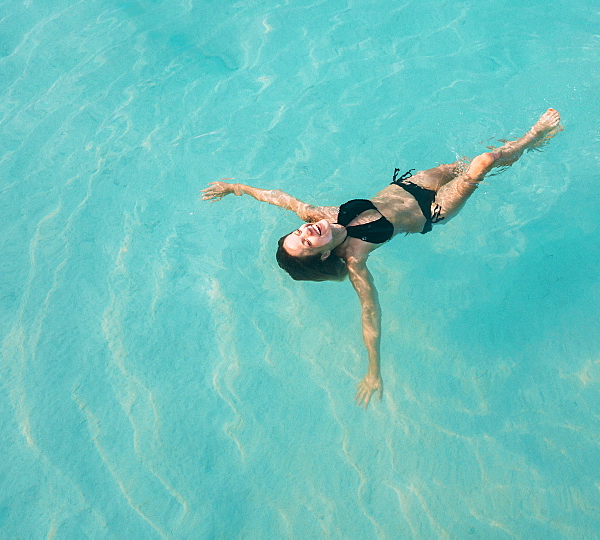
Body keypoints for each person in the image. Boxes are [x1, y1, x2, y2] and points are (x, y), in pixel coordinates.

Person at [201, 109, 562, 408]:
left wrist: (235, 188)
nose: (306, 233)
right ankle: (533, 136)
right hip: (433, 209)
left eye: (299, 234)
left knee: (474, 160)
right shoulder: (356, 258)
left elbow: (277, 197)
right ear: (323, 253)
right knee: (484, 162)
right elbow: (370, 314)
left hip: (410, 186)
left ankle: (525, 146)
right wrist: (374, 370)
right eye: (307, 243)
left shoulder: (316, 214)